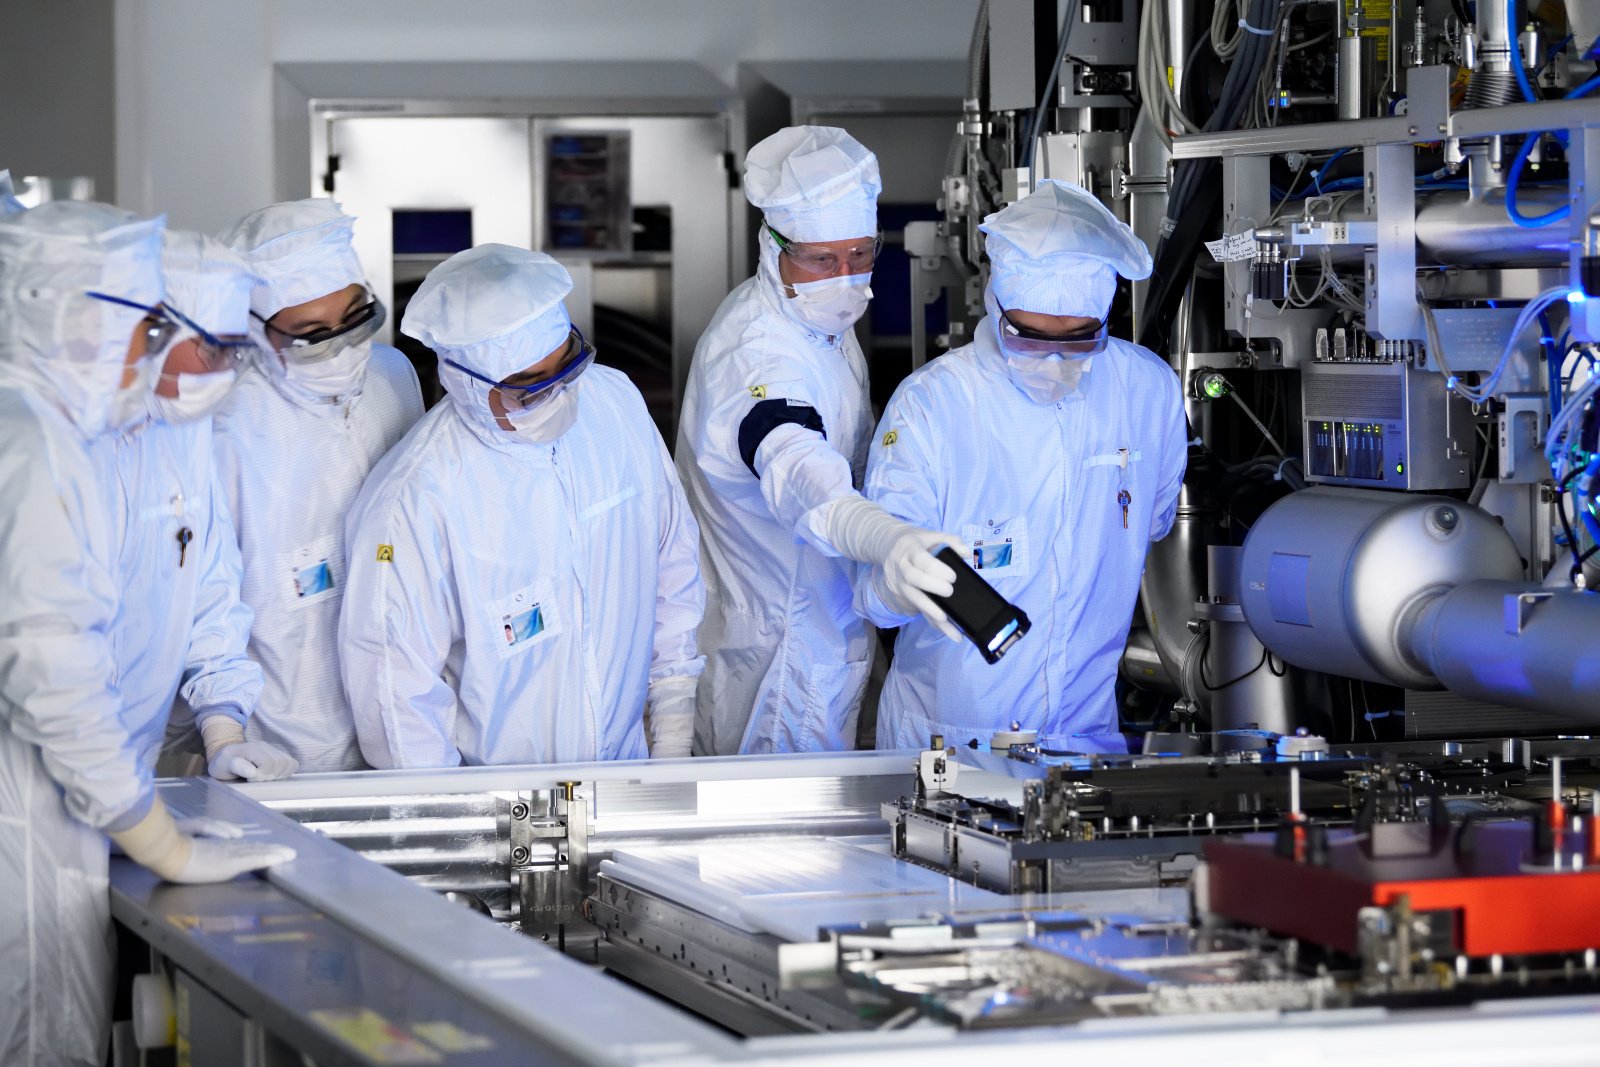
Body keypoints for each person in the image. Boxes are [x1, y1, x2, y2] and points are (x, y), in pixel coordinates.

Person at [0, 202, 294, 1067]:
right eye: (151, 328)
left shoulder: (82, 434)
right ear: (80, 323)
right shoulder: (34, 448)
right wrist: (155, 836)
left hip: (82, 806)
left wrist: (223, 721)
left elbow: (202, 583)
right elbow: (55, 672)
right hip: (29, 820)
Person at [339, 245, 704, 766]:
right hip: (498, 807)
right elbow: (397, 698)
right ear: (463, 383)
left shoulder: (613, 402)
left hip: (628, 774)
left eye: (566, 368)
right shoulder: (416, 499)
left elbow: (672, 565)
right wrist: (454, 825)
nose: (557, 397)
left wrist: (672, 733)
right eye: (527, 391)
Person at [857, 180, 1187, 749]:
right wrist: (897, 581)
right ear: (996, 304)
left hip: (1084, 743)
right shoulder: (932, 406)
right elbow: (870, 597)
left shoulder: (1147, 392)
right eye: (1029, 338)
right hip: (946, 743)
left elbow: (1152, 522)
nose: (1054, 360)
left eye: (1081, 339)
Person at [677, 125, 959, 756]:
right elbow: (799, 471)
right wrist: (891, 539)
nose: (844, 278)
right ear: (771, 246)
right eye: (822, 261)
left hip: (825, 628)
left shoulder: (818, 324)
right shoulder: (757, 354)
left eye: (860, 256)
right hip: (775, 653)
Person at [216, 199, 424, 771]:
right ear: (255, 332)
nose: (344, 350)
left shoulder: (392, 376)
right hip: (283, 745)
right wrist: (224, 735)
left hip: (404, 727)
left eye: (357, 321)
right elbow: (207, 605)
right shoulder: (226, 427)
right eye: (312, 336)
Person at [95, 230, 298, 782]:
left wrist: (223, 729)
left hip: (125, 775)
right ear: (151, 332)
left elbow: (208, 584)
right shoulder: (52, 441)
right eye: (214, 348)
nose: (225, 370)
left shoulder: (181, 425)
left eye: (237, 350)